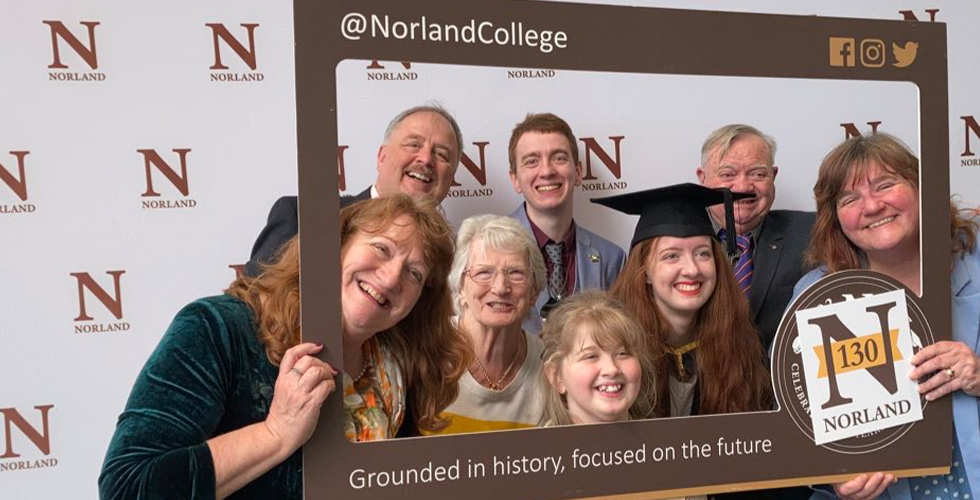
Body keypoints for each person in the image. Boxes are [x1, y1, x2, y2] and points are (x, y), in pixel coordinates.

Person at [99, 195, 470, 499]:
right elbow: (128, 487)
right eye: (382, 248)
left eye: (414, 273)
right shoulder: (218, 328)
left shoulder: (394, 363)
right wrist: (275, 434)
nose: (391, 278)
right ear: (337, 245)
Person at [794, 133, 980, 500]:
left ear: (919, 186)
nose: (872, 206)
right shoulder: (814, 297)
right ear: (834, 218)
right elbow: (799, 424)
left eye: (885, 185)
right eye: (850, 199)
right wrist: (833, 475)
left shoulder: (976, 254)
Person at [594, 183, 772, 418]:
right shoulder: (612, 348)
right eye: (671, 256)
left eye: (702, 253)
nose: (691, 269)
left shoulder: (738, 344)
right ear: (644, 269)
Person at [244, 104, 464, 276]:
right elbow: (256, 301)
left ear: (451, 176)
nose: (426, 159)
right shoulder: (302, 217)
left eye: (441, 155)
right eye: (413, 144)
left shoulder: (456, 257)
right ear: (382, 157)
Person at [696, 124, 815, 351]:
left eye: (758, 174)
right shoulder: (674, 244)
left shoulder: (811, 233)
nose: (743, 186)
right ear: (702, 178)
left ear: (773, 176)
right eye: (727, 174)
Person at [428, 214, 549, 434]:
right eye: (484, 272)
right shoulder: (425, 352)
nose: (501, 287)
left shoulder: (548, 367)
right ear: (461, 288)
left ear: (534, 292)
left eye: (516, 273)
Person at [507, 113, 625, 333]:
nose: (547, 171)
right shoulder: (489, 249)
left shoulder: (611, 259)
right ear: (515, 179)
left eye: (558, 158)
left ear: (578, 172)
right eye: (532, 161)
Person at [539, 290, 657, 426]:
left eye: (622, 353)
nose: (612, 369)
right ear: (557, 376)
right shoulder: (538, 447)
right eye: (591, 356)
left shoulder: (665, 444)